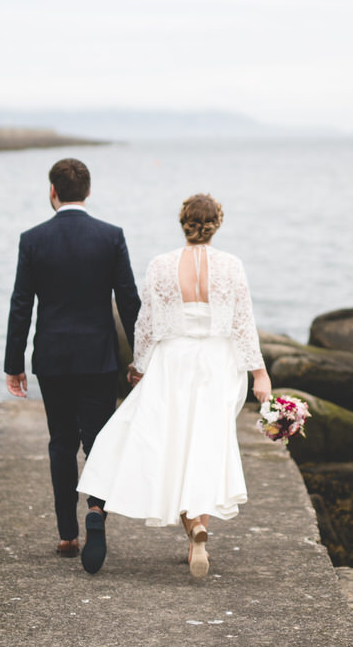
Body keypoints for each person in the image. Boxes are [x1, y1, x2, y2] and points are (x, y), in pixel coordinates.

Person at [77, 193, 271, 578]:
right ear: (217, 223)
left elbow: (145, 324)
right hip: (217, 362)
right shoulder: (231, 266)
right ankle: (197, 530)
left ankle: (179, 524)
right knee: (204, 442)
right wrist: (259, 374)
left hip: (174, 359)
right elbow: (243, 324)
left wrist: (139, 365)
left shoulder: (161, 265)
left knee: (170, 441)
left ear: (183, 222)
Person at [4, 157, 141, 574]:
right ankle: (97, 509)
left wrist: (14, 363)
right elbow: (130, 301)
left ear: (53, 192)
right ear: (88, 191)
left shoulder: (33, 240)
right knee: (98, 441)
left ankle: (67, 534)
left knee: (61, 442)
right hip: (99, 358)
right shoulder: (110, 236)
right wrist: (140, 357)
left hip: (52, 357)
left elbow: (21, 305)